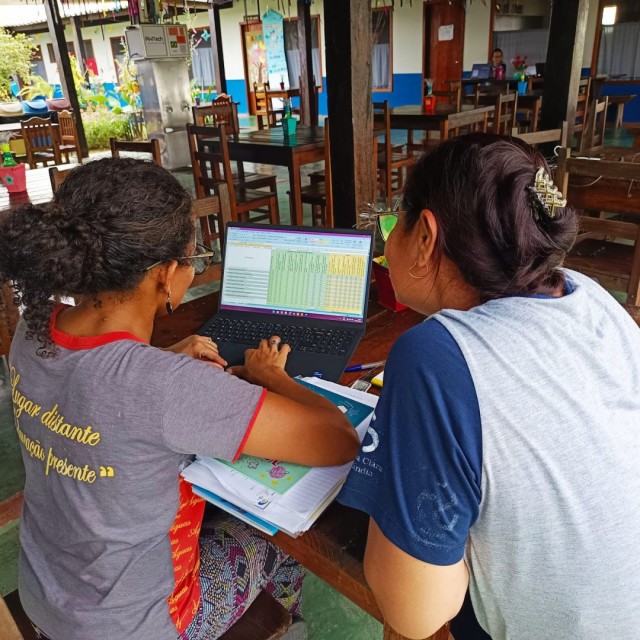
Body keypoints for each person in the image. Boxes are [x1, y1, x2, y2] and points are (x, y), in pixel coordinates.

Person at [0, 158, 360, 640]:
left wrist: (165, 357)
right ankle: (285, 622)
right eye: (195, 258)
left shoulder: (33, 329)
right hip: (136, 627)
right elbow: (339, 440)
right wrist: (272, 375)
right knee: (269, 534)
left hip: (45, 597)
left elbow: (95, 385)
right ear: (166, 275)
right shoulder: (165, 386)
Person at [338, 134, 640, 640]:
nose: (388, 238)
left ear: (426, 236)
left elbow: (415, 612)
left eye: (397, 220)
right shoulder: (588, 295)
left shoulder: (433, 357)